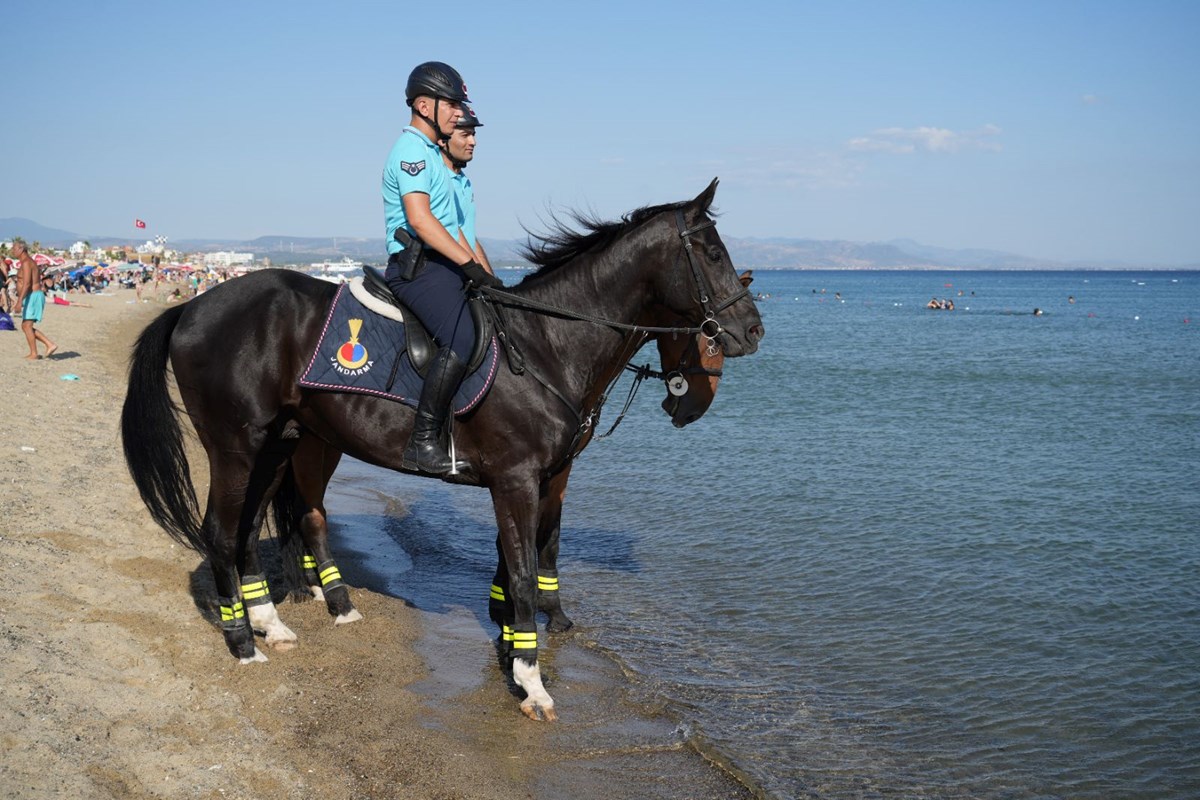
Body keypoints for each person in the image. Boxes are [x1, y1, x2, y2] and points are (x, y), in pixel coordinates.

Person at [381, 61, 501, 475]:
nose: (457, 111)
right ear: (423, 105)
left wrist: (487, 279)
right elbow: (420, 220)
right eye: (451, 103)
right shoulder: (412, 150)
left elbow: (457, 231)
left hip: (441, 264)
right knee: (461, 336)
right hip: (416, 267)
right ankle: (423, 441)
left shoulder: (433, 154)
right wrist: (469, 266)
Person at [440, 103, 492, 272]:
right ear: (443, 140)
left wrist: (491, 281)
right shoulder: (439, 178)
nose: (473, 142)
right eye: (465, 135)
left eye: (474, 135)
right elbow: (451, 232)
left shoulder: (463, 181)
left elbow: (469, 238)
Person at [12, 240, 57, 360]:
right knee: (26, 326)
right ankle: (49, 344)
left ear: (21, 249)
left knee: (26, 326)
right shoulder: (27, 262)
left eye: (14, 248)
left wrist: (19, 301)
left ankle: (35, 353)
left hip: (33, 296)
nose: (12, 251)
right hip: (31, 296)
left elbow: (27, 283)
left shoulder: (27, 263)